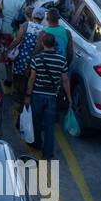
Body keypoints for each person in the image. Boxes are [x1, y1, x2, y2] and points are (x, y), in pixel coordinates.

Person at [25, 32, 71, 160]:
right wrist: (69, 98)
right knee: (50, 126)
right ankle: (47, 153)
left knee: (36, 121)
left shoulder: (36, 59)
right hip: (52, 96)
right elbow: (65, 80)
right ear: (54, 44)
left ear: (42, 43)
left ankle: (37, 143)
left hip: (37, 95)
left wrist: (27, 95)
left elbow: (32, 79)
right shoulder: (61, 60)